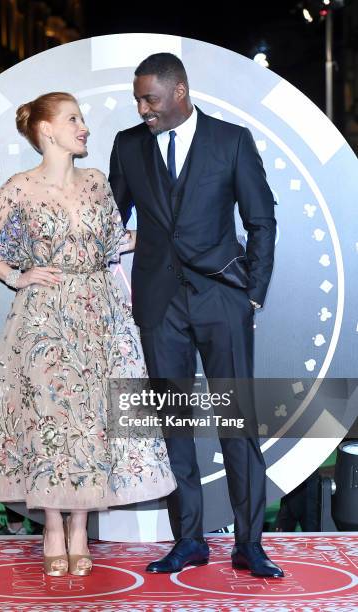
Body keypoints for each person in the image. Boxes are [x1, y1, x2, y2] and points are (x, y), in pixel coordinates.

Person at [0, 92, 176, 577]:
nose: (84, 127)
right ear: (46, 130)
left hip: (98, 314)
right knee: (50, 421)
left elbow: (115, 242)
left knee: (92, 422)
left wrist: (171, 229)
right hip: (44, 319)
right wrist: (18, 276)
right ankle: (52, 529)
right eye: (73, 119)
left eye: (82, 118)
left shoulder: (97, 182)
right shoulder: (21, 187)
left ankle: (79, 529)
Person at [109, 53, 284, 578]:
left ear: (179, 91)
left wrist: (252, 293)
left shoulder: (231, 141)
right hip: (160, 306)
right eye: (138, 100)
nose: (143, 109)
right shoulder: (128, 145)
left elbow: (261, 220)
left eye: (151, 99)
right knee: (174, 427)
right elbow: (111, 221)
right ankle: (189, 540)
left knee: (238, 425)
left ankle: (249, 544)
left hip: (222, 300)